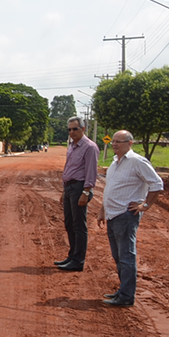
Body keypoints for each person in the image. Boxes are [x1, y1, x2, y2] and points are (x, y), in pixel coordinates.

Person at [97, 130, 163, 306]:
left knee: (126, 256)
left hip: (126, 215)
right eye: (113, 142)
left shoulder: (137, 162)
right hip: (112, 215)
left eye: (120, 141)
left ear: (130, 143)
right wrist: (103, 210)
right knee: (118, 256)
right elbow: (110, 187)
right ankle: (123, 290)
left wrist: (145, 205)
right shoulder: (114, 162)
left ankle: (126, 296)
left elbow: (157, 184)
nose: (115, 144)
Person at [56, 116, 99, 271]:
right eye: (69, 129)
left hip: (80, 188)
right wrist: (63, 190)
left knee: (79, 225)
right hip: (69, 188)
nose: (72, 132)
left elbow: (91, 171)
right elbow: (69, 168)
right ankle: (72, 256)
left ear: (83, 129)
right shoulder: (72, 146)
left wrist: (86, 192)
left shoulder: (89, 147)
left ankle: (78, 261)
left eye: (75, 129)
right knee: (69, 223)